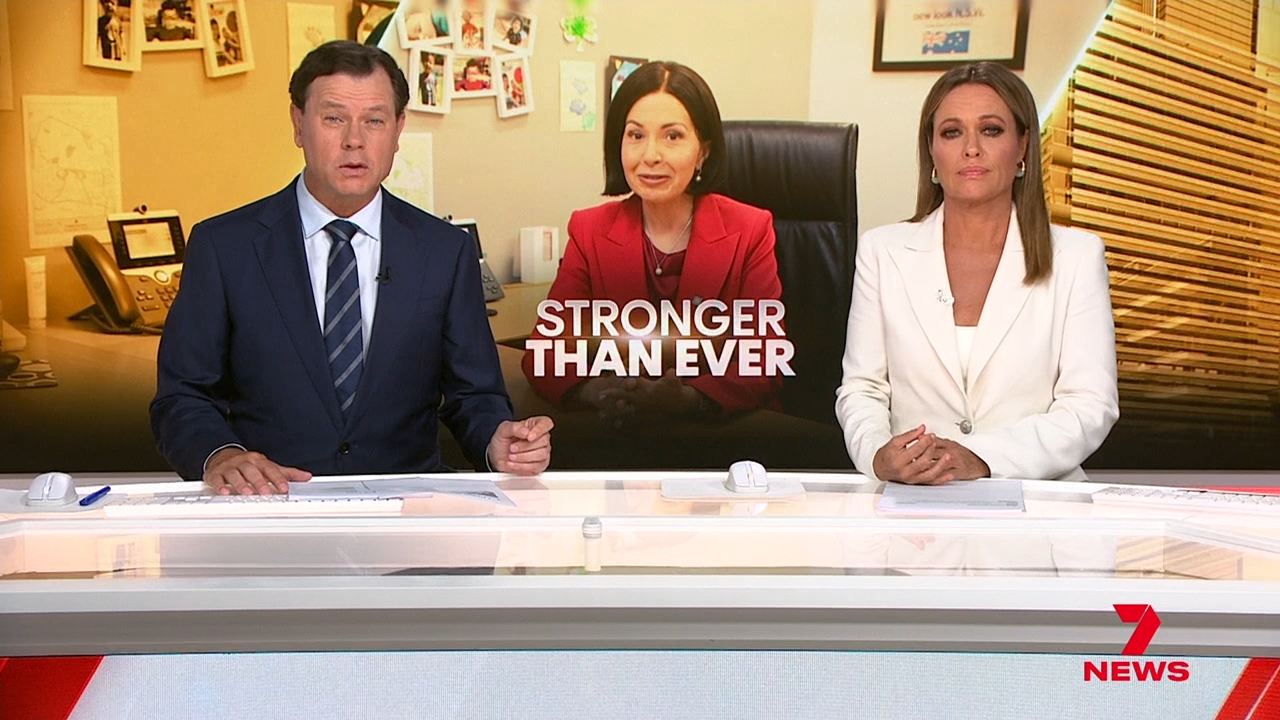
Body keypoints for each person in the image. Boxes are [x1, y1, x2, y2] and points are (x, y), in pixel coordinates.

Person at [152, 41, 553, 495]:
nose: (354, 141)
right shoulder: (224, 247)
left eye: (375, 121)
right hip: (269, 505)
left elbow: (474, 396)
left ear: (398, 130)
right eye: (334, 118)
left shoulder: (445, 251)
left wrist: (496, 442)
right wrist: (219, 454)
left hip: (406, 511)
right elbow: (182, 397)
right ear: (298, 123)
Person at [835, 62, 1118, 484]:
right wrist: (879, 455)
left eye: (990, 130)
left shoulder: (1076, 257)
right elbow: (862, 390)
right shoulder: (882, 252)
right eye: (952, 132)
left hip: (1038, 502)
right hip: (914, 503)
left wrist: (982, 458)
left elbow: (1090, 404)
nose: (971, 148)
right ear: (932, 151)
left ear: (1022, 146)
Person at [521, 61, 784, 426]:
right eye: (635, 135)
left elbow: (765, 357)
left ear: (703, 151)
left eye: (672, 136)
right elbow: (545, 351)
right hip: (620, 436)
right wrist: (594, 390)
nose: (650, 155)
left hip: (722, 436)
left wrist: (689, 399)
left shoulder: (751, 230)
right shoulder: (589, 229)